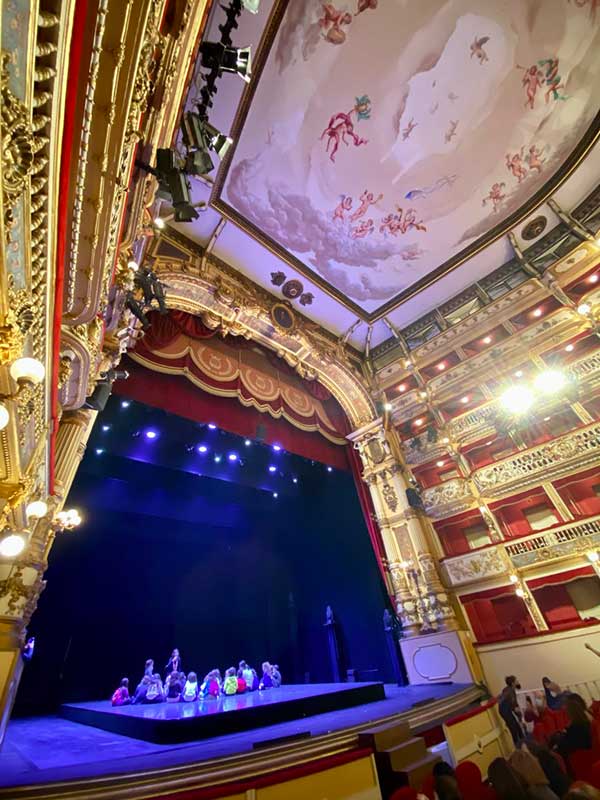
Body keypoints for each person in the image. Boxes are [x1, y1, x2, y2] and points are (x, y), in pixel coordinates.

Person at [498, 675, 524, 744]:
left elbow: (514, 705)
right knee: (513, 728)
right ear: (513, 683)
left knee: (516, 726)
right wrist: (520, 718)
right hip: (505, 710)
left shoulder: (508, 689)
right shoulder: (510, 691)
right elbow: (514, 706)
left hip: (505, 710)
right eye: (516, 681)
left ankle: (521, 741)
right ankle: (518, 744)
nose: (518, 681)